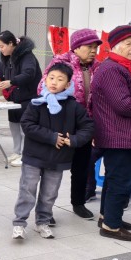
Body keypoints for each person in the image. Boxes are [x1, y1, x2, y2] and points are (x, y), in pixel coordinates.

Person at [12, 62, 94, 239]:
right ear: (45, 80)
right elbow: (27, 125)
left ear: (68, 84)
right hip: (34, 156)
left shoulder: (74, 107)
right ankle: (19, 222)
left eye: (60, 79)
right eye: (51, 78)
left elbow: (88, 128)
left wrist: (73, 140)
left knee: (49, 193)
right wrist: (52, 137)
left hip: (58, 159)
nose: (54, 82)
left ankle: (43, 221)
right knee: (27, 190)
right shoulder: (37, 103)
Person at [88, 25, 131, 242]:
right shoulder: (112, 69)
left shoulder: (121, 67)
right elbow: (122, 104)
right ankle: (111, 226)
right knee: (121, 181)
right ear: (115, 46)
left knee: (114, 178)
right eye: (128, 44)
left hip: (120, 134)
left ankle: (107, 217)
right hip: (118, 135)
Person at [37, 28, 102, 219]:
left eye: (96, 47)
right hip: (61, 123)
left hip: (84, 125)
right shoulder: (61, 64)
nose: (93, 51)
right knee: (52, 169)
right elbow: (42, 88)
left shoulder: (97, 67)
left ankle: (78, 203)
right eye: (89, 47)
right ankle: (45, 210)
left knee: (82, 167)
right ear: (76, 47)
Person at [0, 31, 42, 166]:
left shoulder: (26, 56)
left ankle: (26, 155)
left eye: (2, 46)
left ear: (11, 43)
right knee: (14, 125)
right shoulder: (8, 58)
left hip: (28, 98)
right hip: (14, 99)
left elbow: (29, 73)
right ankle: (17, 152)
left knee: (25, 128)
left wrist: (11, 82)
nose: (0, 49)